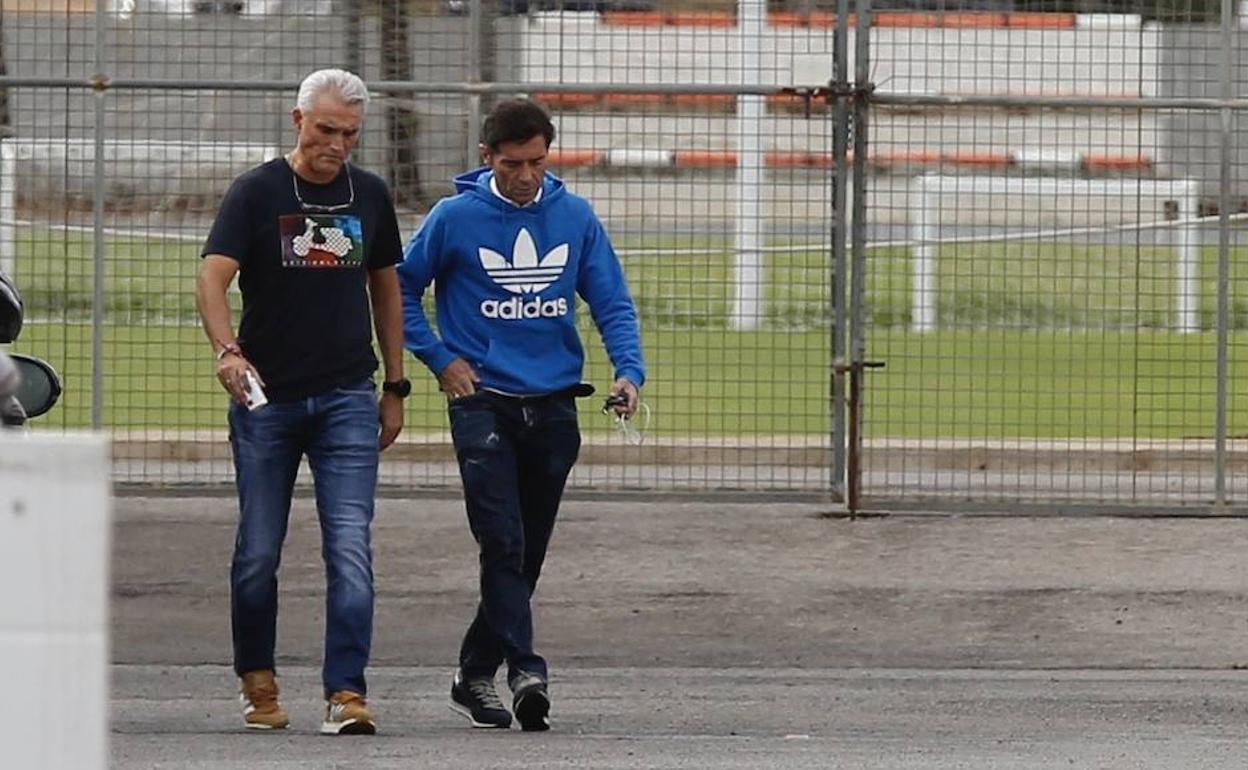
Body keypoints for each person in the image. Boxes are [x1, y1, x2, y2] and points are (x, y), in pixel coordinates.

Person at [397, 97, 645, 732]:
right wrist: (439, 359)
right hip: (482, 403)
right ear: (488, 159)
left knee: (526, 551)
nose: (528, 176)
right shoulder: (453, 218)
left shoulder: (575, 215)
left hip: (555, 403)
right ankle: (526, 667)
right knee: (501, 540)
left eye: (538, 162)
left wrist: (627, 371)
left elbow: (611, 299)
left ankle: (471, 672)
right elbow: (398, 289)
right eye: (513, 164)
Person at [195, 68, 409, 735]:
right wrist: (228, 351)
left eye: (349, 134)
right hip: (270, 402)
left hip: (348, 393)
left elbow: (387, 290)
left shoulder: (368, 196)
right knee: (259, 547)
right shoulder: (256, 193)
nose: (335, 145)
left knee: (350, 545)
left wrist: (395, 386)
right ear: (297, 120)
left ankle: (346, 693)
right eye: (324, 130)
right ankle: (257, 678)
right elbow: (212, 275)